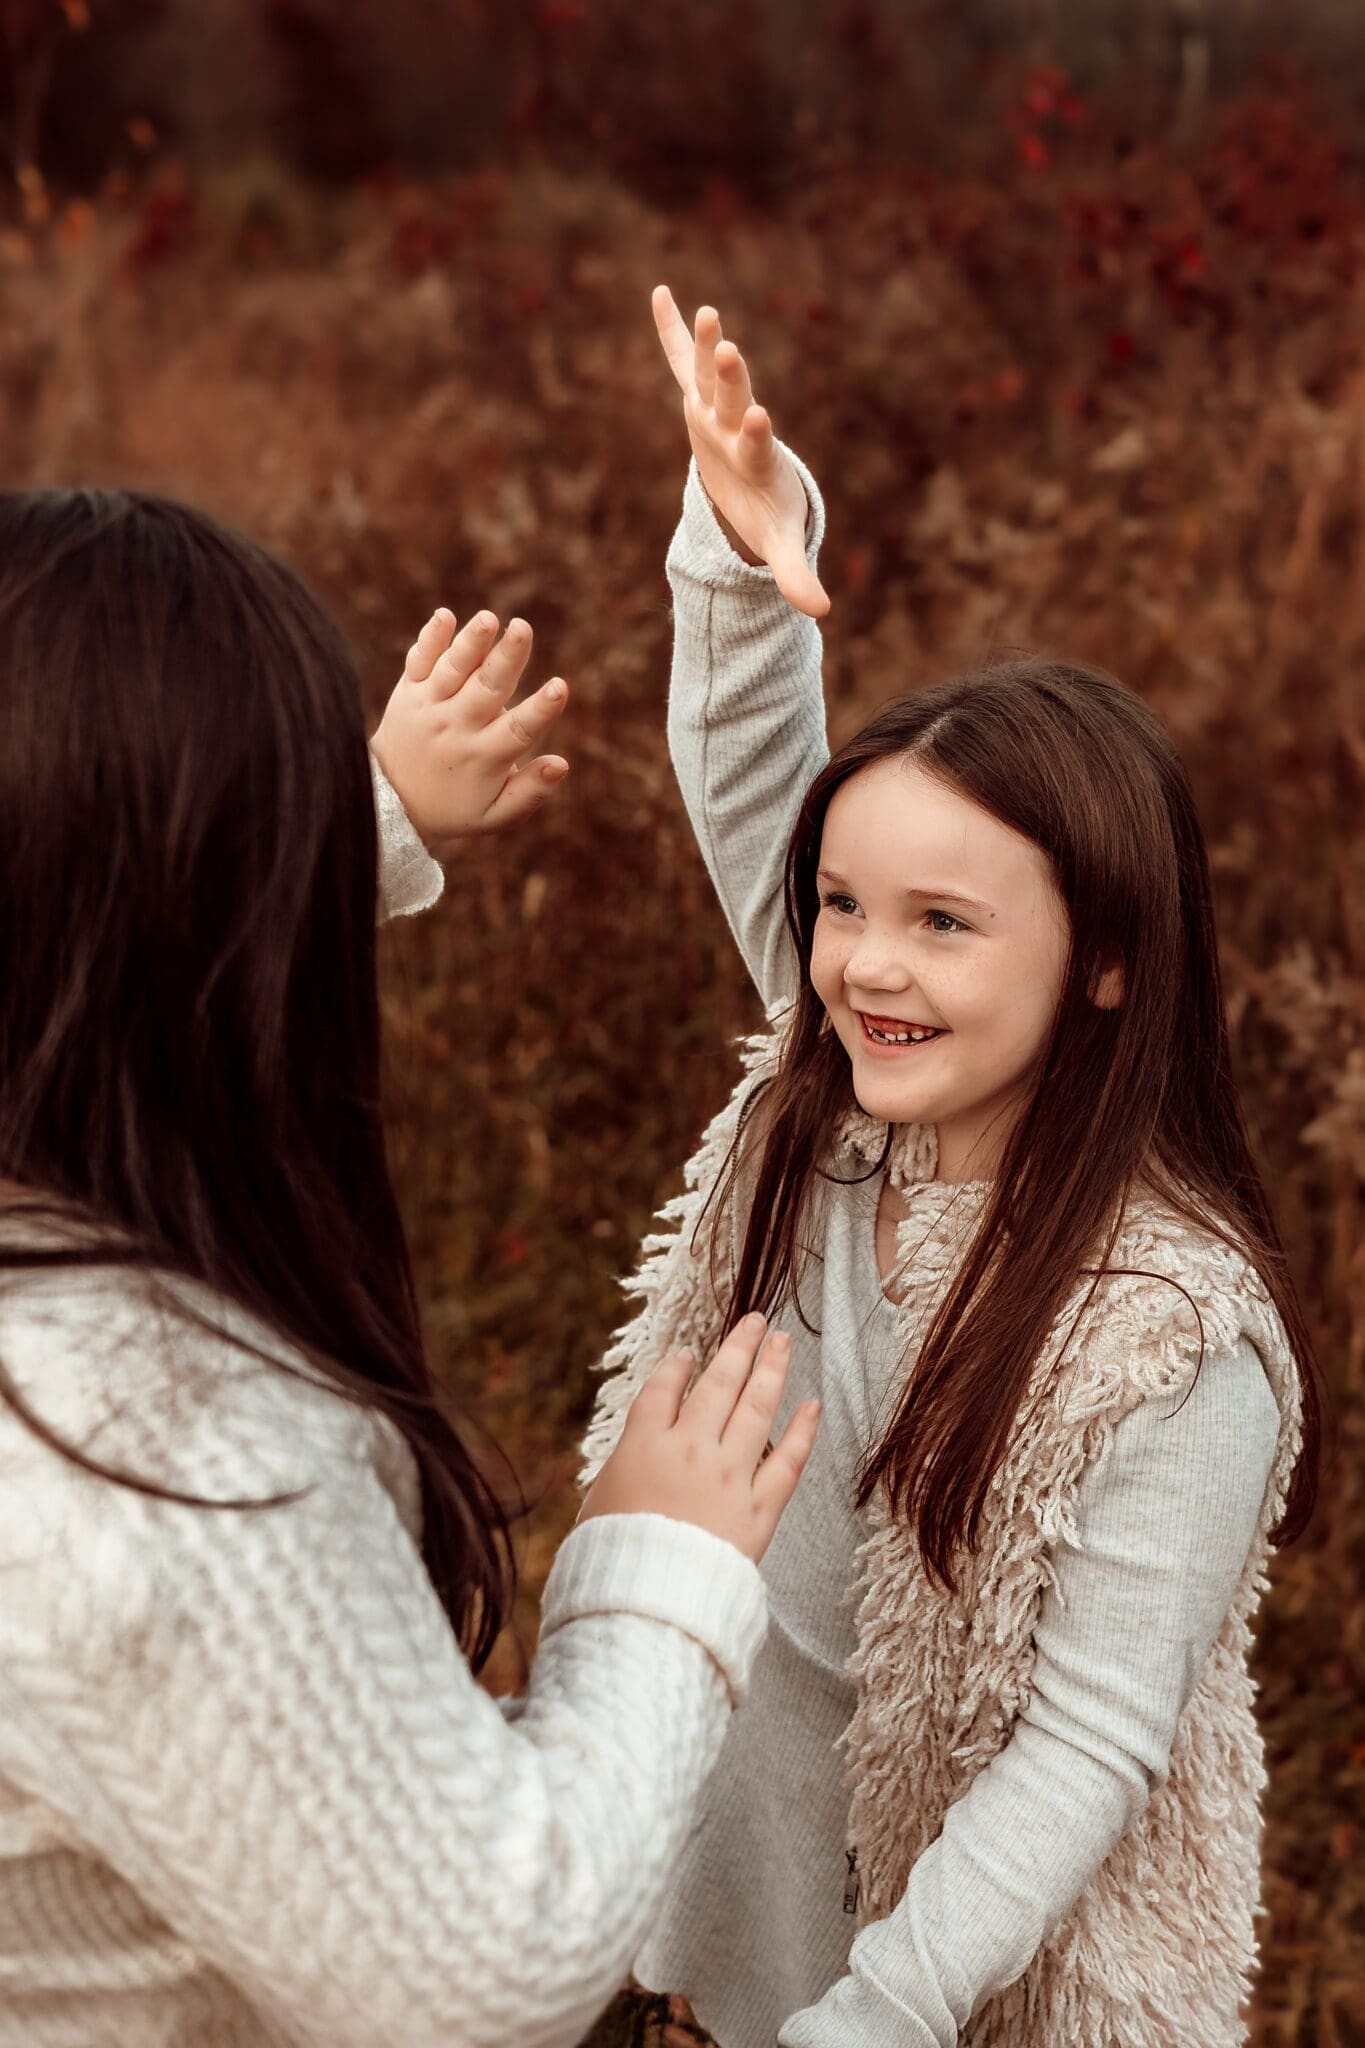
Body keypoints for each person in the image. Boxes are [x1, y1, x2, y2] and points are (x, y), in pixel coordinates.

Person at [580, 290, 1324, 2048]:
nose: (864, 966)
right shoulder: (834, 1102)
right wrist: (744, 545)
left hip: (965, 1990)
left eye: (940, 923)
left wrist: (873, 2022)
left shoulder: (1166, 1337)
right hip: (733, 1906)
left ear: (1109, 959)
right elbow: (753, 767)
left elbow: (1083, 1751)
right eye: (842, 909)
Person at [0, 486, 821, 2048]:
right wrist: (655, 1563)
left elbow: (92, 939)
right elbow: (483, 1972)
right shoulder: (166, 1460)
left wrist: (347, 822)